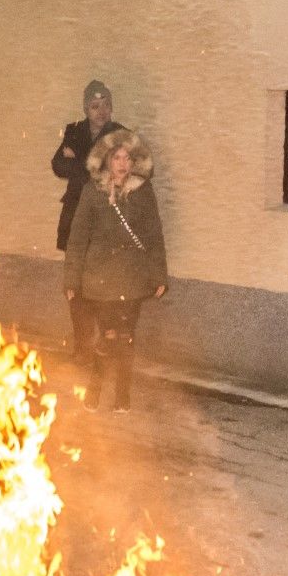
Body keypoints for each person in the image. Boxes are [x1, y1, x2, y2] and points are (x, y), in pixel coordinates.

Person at [63, 129, 166, 412]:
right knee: (107, 335)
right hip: (100, 278)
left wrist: (158, 275)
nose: (122, 163)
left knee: (126, 336)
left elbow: (154, 235)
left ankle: (122, 393)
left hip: (132, 278)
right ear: (107, 161)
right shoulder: (92, 191)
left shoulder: (143, 192)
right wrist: (72, 279)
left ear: (134, 163)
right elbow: (78, 237)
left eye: (127, 158)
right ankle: (95, 388)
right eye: (116, 157)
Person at [52, 80, 124, 362]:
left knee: (103, 288)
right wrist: (92, 166)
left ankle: (104, 349)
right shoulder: (74, 131)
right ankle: (82, 349)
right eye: (95, 106)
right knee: (76, 288)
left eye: (106, 104)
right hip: (74, 220)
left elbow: (128, 172)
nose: (101, 111)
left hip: (104, 223)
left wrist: (79, 161)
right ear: (86, 108)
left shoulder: (121, 136)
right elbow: (58, 165)